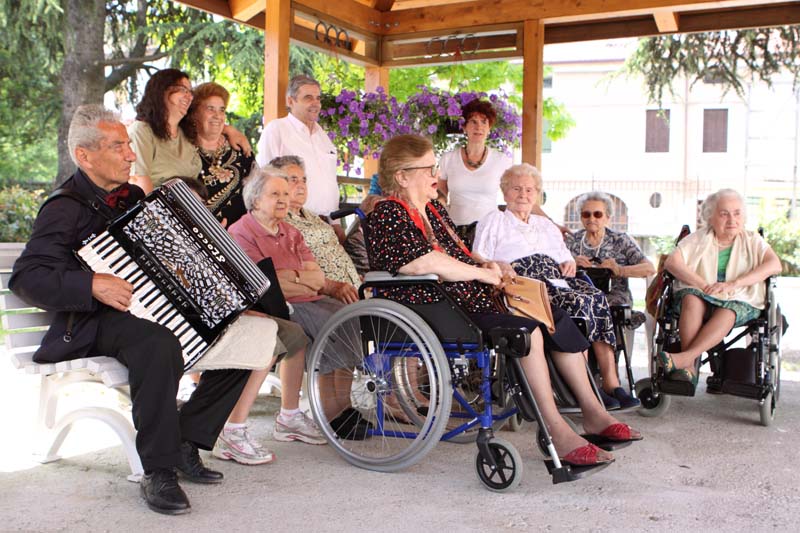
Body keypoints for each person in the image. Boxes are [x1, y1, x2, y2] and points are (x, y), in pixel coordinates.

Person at [9, 105, 250, 515]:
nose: (130, 154)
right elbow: (27, 276)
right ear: (84, 156)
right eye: (118, 146)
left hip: (150, 309)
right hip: (91, 322)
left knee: (244, 334)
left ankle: (187, 439)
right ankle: (158, 470)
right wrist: (91, 284)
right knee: (157, 343)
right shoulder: (64, 207)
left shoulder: (135, 198)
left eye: (127, 145)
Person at [367, 134, 642, 466]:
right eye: (429, 169)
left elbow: (460, 255)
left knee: (554, 317)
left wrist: (489, 266)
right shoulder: (389, 212)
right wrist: (482, 275)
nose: (436, 177)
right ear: (402, 176)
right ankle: (556, 429)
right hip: (432, 305)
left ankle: (593, 413)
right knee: (527, 332)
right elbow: (420, 262)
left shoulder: (432, 210)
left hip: (464, 298)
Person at [167, 176, 326, 465]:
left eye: (199, 205)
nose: (194, 211)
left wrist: (241, 308)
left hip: (229, 314)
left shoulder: (211, 234)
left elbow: (232, 282)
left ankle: (284, 417)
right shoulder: (173, 238)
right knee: (263, 336)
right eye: (184, 203)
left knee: (290, 333)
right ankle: (232, 431)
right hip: (187, 327)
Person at [473, 164, 639, 409]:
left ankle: (611, 383)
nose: (523, 194)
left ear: (537, 194)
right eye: (516, 188)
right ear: (505, 192)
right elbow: (479, 256)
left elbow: (564, 256)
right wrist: (497, 263)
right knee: (578, 304)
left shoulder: (545, 224)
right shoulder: (494, 220)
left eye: (530, 190)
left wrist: (569, 261)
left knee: (597, 298)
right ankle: (588, 390)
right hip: (524, 282)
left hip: (556, 279)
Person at [228, 168, 369, 439]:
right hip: (271, 305)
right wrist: (300, 279)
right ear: (256, 200)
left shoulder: (290, 231)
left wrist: (294, 278)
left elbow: (317, 277)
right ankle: (329, 411)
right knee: (329, 323)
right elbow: (266, 284)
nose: (283, 199)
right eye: (274, 194)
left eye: (285, 193)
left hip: (308, 298)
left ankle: (343, 405)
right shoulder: (243, 231)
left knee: (349, 314)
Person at [660, 189, 782, 382]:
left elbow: (774, 265)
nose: (731, 219)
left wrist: (734, 284)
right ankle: (689, 368)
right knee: (691, 298)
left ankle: (685, 360)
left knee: (728, 310)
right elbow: (672, 263)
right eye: (724, 214)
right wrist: (703, 285)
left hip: (739, 297)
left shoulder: (752, 240)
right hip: (701, 294)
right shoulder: (698, 238)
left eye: (737, 213)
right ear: (711, 217)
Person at [128, 69, 250, 193]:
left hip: (188, 208)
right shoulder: (142, 131)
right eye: (182, 89)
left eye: (190, 92)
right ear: (162, 91)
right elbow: (139, 183)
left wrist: (230, 130)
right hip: (156, 209)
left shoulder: (185, 133)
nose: (189, 96)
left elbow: (209, 124)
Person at [270, 155, 360, 303]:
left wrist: (355, 277)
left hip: (354, 290)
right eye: (294, 180)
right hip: (329, 297)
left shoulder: (312, 216)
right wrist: (330, 287)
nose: (301, 185)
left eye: (304, 180)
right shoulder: (278, 222)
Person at [567, 191, 656, 330]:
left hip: (613, 296)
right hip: (579, 293)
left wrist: (620, 270)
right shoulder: (572, 240)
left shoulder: (619, 240)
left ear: (607, 217)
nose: (591, 218)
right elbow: (555, 268)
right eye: (586, 214)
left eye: (598, 214)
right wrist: (572, 263)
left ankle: (605, 349)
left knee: (601, 305)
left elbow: (649, 268)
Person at [256, 74, 339, 216]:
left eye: (318, 98)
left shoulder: (323, 136)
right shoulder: (276, 130)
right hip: (292, 220)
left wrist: (335, 222)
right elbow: (265, 178)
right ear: (290, 101)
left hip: (326, 222)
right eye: (308, 98)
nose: (315, 103)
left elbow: (331, 181)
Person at [437, 99, 512, 246]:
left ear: (489, 128)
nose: (479, 127)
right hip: (454, 231)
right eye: (473, 121)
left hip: (490, 232)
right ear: (464, 127)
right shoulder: (448, 158)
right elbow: (440, 196)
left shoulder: (501, 160)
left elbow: (518, 196)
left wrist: (550, 222)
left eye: (484, 122)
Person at [182, 82, 255, 226]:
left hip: (241, 236)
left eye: (222, 110)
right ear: (194, 113)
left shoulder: (239, 148)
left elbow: (258, 193)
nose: (217, 116)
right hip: (198, 234)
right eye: (210, 109)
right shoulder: (183, 148)